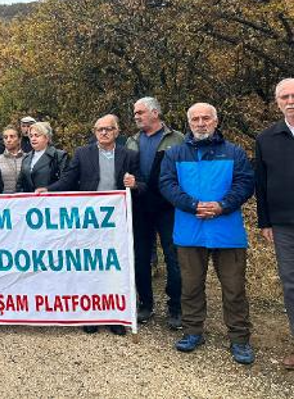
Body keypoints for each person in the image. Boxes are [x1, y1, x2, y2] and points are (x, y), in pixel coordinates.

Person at [160, 103, 255, 364]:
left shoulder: (234, 152)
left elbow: (246, 182)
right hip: (190, 229)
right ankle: (193, 332)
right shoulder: (175, 153)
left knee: (234, 288)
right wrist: (192, 205)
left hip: (227, 230)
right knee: (190, 286)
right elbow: (166, 184)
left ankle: (239, 338)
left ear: (216, 121)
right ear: (188, 123)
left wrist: (223, 205)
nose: (201, 123)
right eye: (195, 119)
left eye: (206, 118)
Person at [42, 114, 145, 336]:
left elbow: (144, 185)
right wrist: (49, 190)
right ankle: (90, 314)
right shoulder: (82, 153)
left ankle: (114, 315)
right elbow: (69, 179)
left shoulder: (130, 155)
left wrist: (135, 184)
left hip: (118, 221)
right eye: (100, 129)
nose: (104, 133)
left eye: (108, 129)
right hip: (89, 219)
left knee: (114, 266)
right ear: (94, 132)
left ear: (117, 132)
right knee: (89, 264)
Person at [125, 97, 184, 328]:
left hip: (168, 208)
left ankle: (176, 307)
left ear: (155, 113)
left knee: (174, 258)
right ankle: (145, 305)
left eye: (140, 112)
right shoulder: (131, 141)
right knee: (140, 257)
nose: (136, 116)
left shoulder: (177, 139)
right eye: (135, 113)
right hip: (139, 207)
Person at [256, 78, 294, 369]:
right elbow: (261, 182)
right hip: (283, 224)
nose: (290, 101)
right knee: (291, 284)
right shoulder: (266, 138)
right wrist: (265, 221)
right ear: (277, 102)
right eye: (284, 96)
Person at [16, 122, 68, 193]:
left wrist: (48, 189)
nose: (33, 139)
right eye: (31, 136)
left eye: (36, 136)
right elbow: (20, 184)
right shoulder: (26, 158)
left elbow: (65, 181)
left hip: (51, 200)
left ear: (47, 138)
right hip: (30, 202)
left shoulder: (59, 156)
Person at [0, 125, 25, 194]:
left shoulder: (28, 158)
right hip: (4, 201)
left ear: (19, 139)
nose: (8, 140)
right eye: (5, 137)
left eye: (12, 136)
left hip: (25, 201)